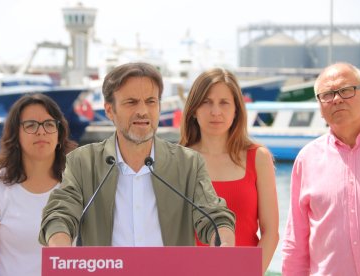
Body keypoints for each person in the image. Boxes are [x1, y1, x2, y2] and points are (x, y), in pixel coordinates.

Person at [39, 62, 236, 247]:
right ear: (109, 110)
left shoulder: (189, 163)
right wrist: (61, 248)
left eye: (151, 101)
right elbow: (60, 213)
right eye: (131, 102)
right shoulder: (82, 162)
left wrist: (224, 242)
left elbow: (215, 216)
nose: (143, 111)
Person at [180, 68, 279, 272]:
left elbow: (271, 233)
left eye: (224, 103)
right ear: (194, 110)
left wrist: (252, 272)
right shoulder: (178, 160)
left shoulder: (258, 157)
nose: (216, 111)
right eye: (206, 102)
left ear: (236, 110)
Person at [0, 93, 77, 276]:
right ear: (15, 135)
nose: (41, 131)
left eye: (49, 124)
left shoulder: (80, 182)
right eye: (31, 125)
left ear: (59, 135)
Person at [282, 63, 360, 275]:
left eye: (346, 90)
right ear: (319, 107)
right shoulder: (307, 159)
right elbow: (296, 242)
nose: (337, 99)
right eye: (327, 94)